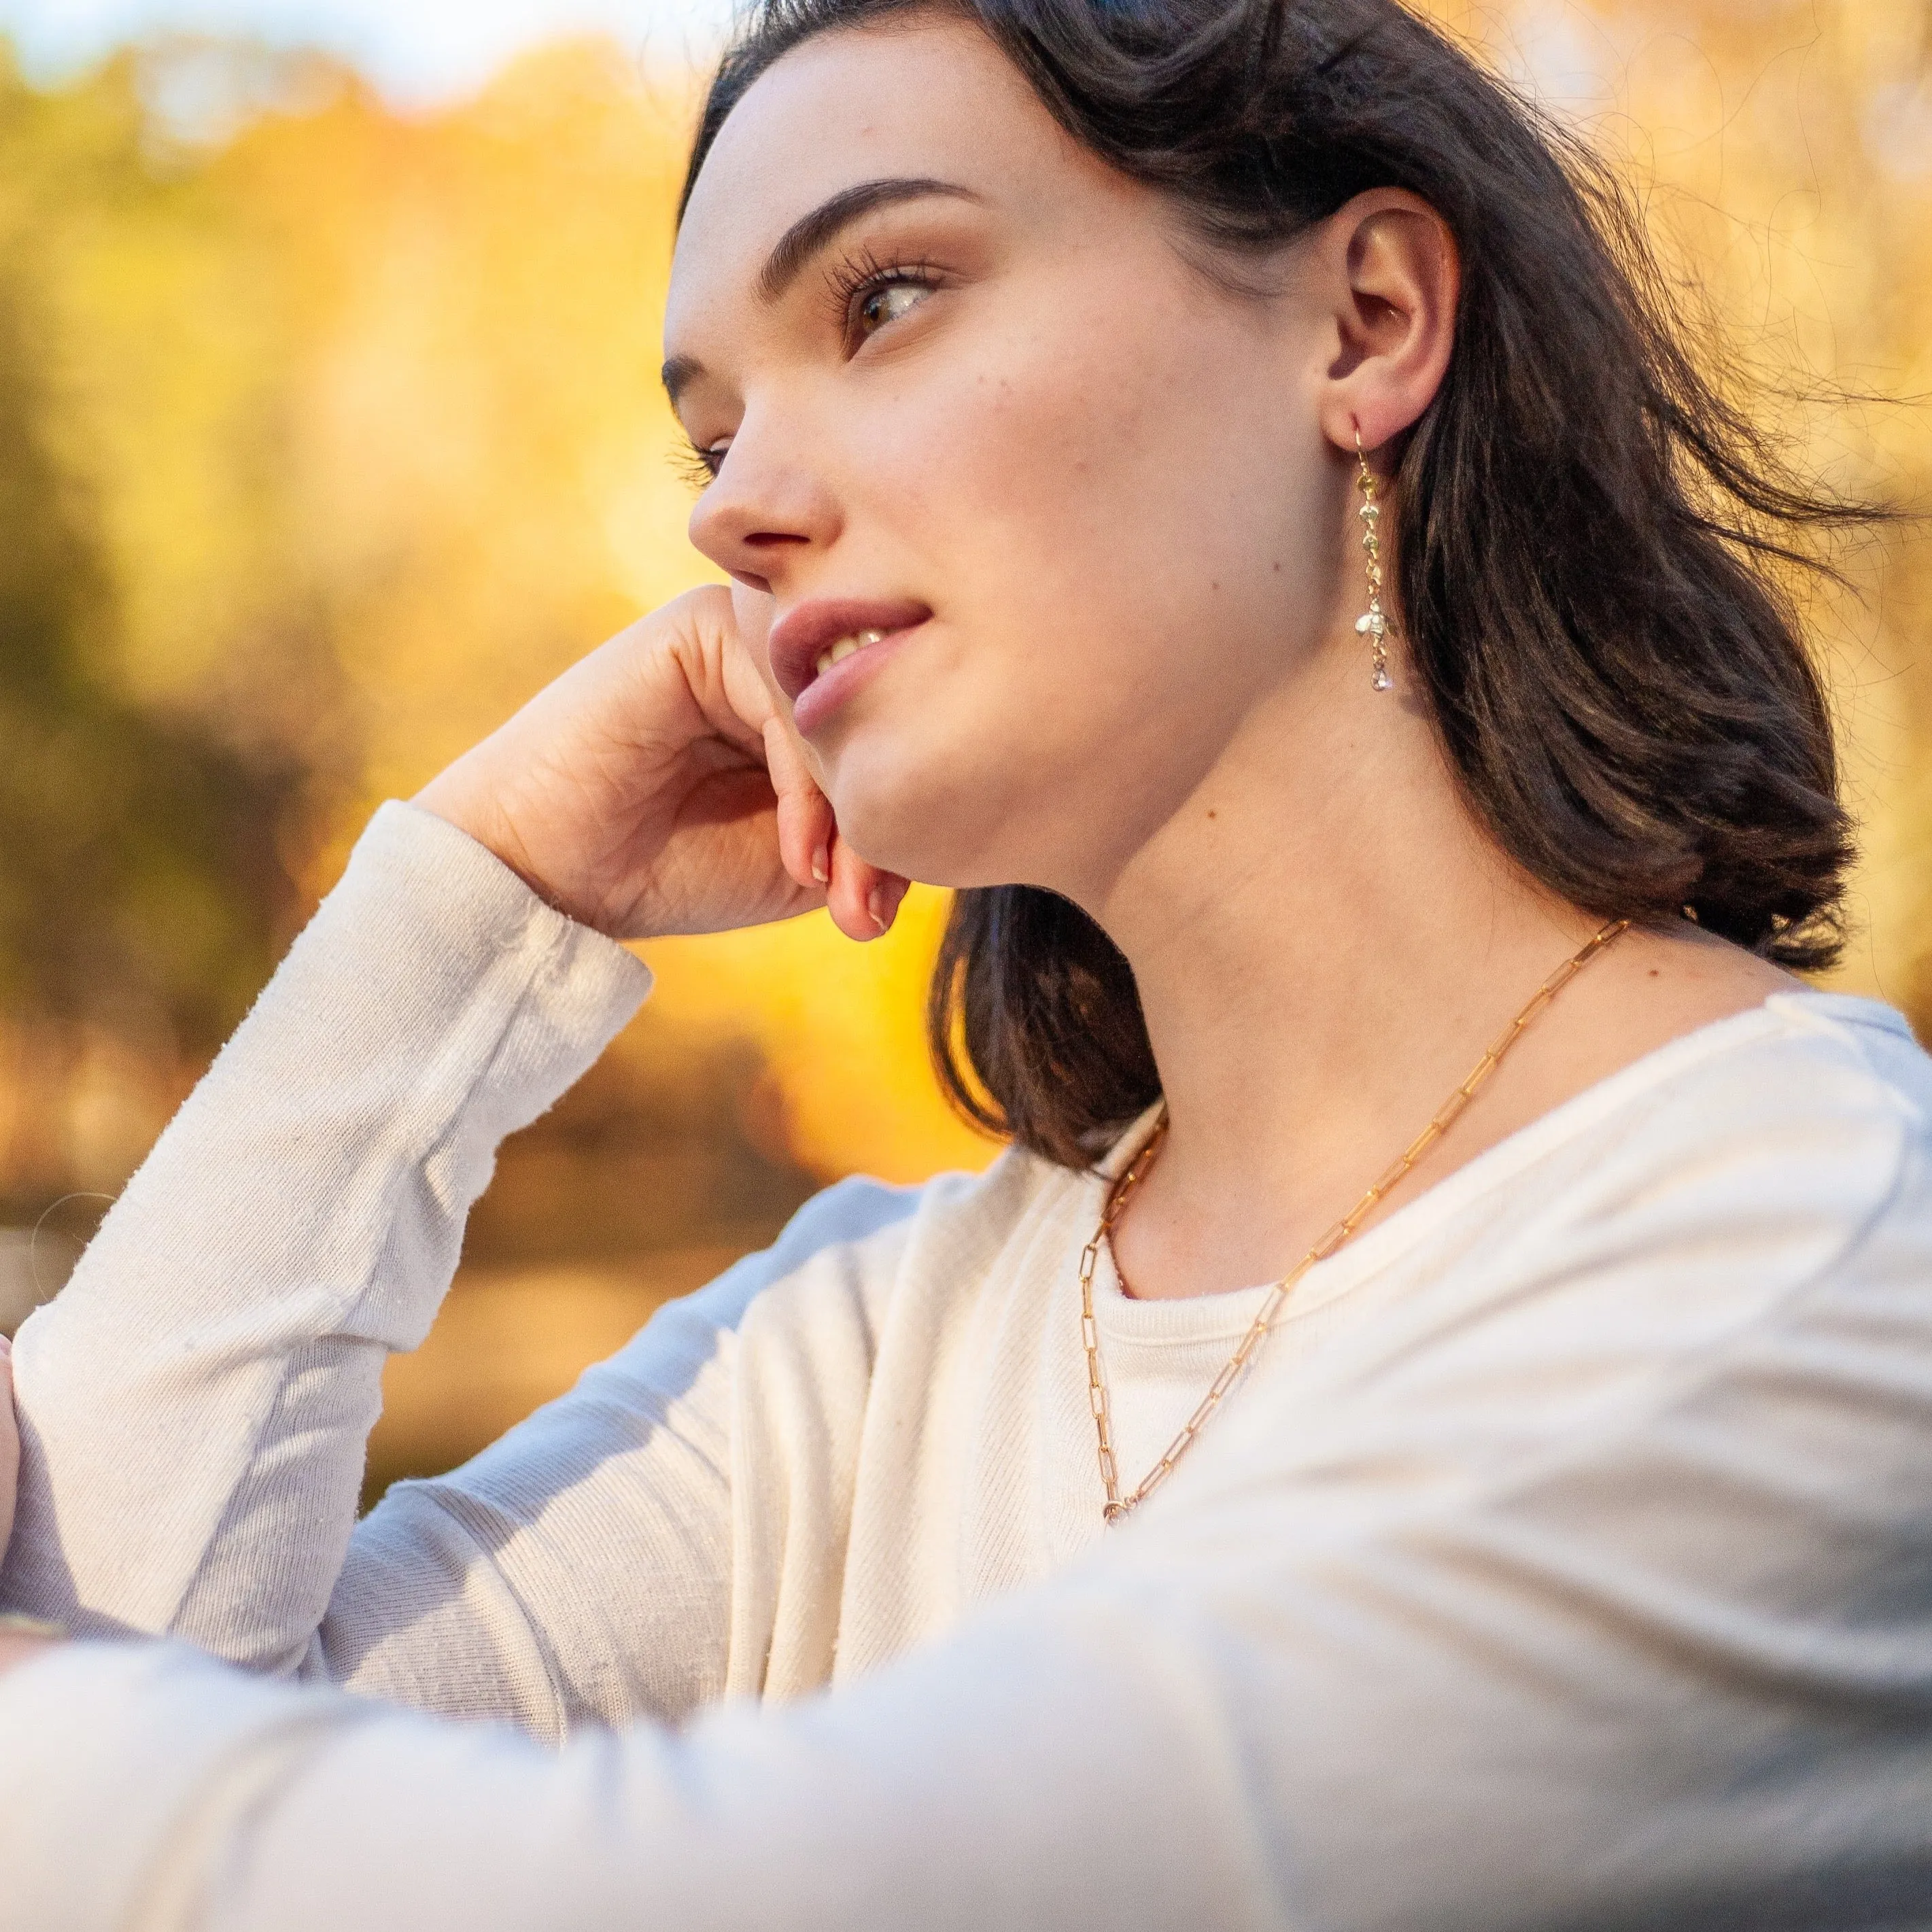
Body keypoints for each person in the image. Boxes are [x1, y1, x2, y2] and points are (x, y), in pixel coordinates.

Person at [2, 0, 1929, 1923]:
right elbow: (130, 1663)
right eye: (713, 424)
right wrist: (474, 893)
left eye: (888, 296)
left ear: (1365, 320)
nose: (729, 507)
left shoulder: (1811, 1243)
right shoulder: (861, 1345)